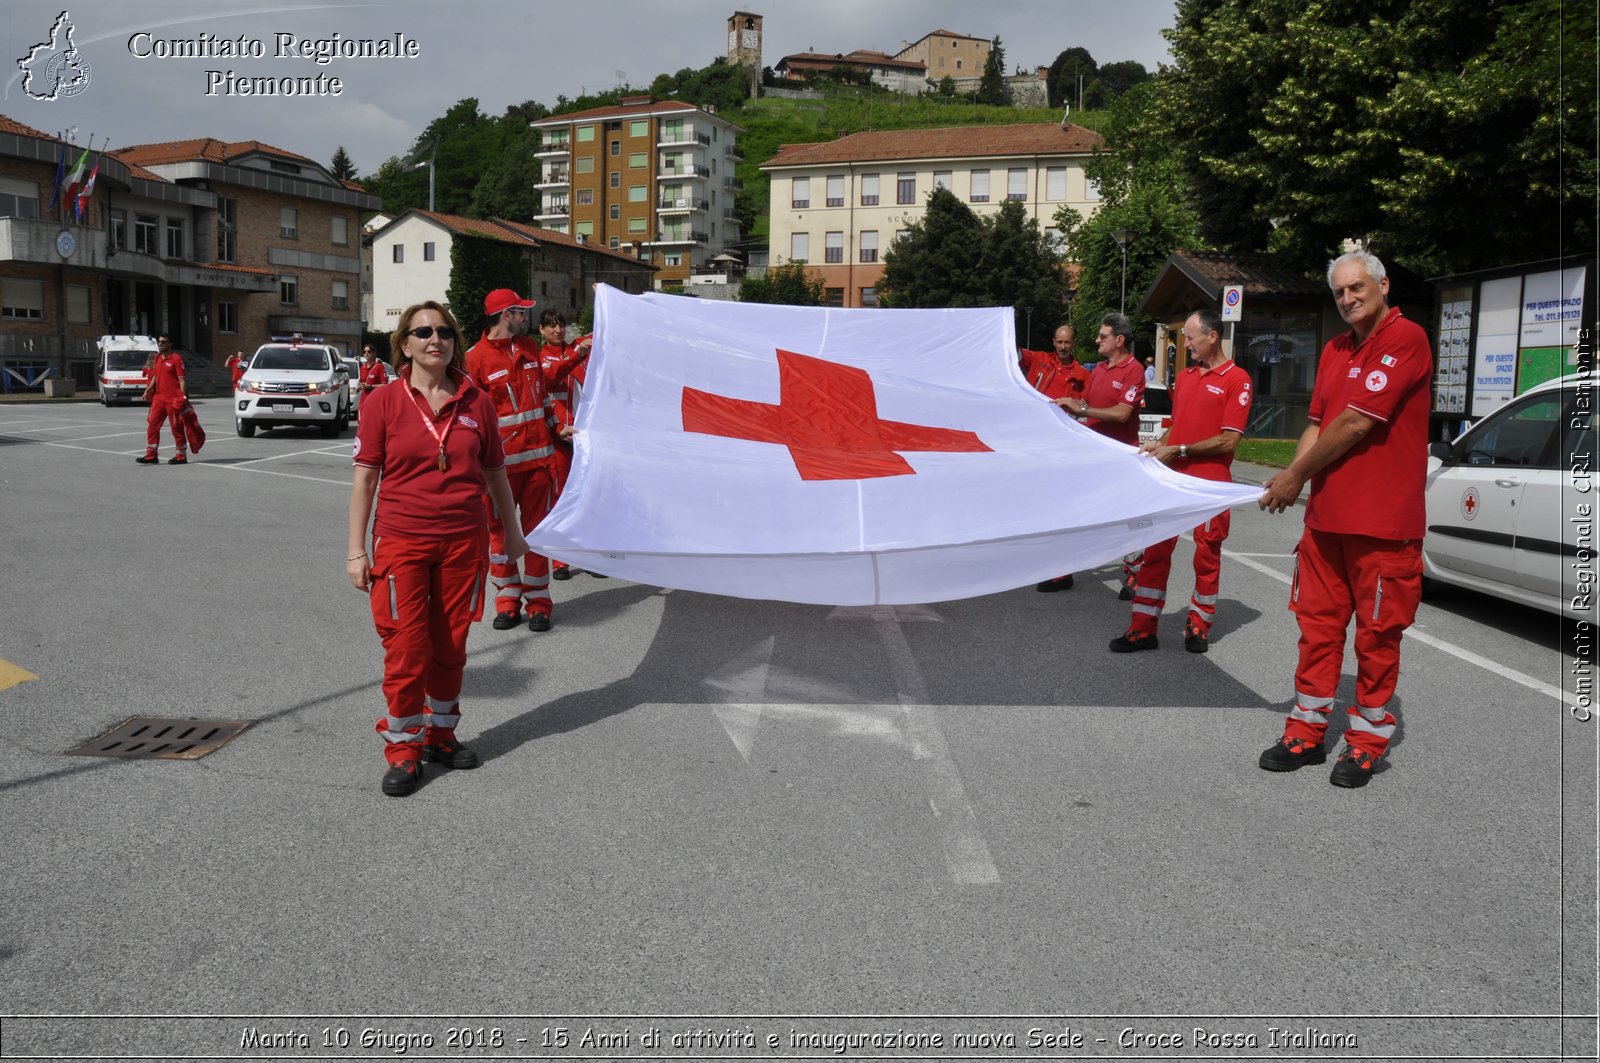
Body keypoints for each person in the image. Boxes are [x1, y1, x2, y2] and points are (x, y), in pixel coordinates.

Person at [1257, 251, 1431, 788]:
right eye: (1339, 292)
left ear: (1382, 285)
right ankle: (1306, 732)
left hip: (1382, 525)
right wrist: (1294, 475)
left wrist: (1293, 478)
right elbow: (1317, 423)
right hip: (1326, 522)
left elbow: (1355, 423)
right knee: (1317, 630)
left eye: (1357, 288)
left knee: (1377, 639)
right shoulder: (1335, 348)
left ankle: (1366, 742)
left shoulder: (1406, 339)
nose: (1348, 299)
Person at [346, 301, 528, 797]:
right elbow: (365, 480)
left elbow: (495, 473)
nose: (436, 339)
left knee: (450, 647)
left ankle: (442, 735)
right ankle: (404, 749)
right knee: (406, 648)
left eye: (445, 331)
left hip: (462, 544)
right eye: (423, 331)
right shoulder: (382, 401)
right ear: (404, 343)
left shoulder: (477, 401)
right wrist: (356, 551)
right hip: (401, 540)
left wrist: (511, 532)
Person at [1109, 309, 1251, 654]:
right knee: (1156, 550)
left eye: (1190, 337)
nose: (1185, 344)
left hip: (1210, 483)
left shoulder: (1238, 379)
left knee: (1206, 555)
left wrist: (1180, 450)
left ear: (1212, 336)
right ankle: (1142, 627)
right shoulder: (1186, 377)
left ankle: (1198, 624)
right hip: (1173, 478)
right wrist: (1162, 443)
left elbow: (1229, 441)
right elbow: (1180, 424)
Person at [465, 289, 560, 632]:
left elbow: (544, 399)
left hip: (538, 464)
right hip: (498, 471)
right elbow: (469, 418)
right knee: (500, 535)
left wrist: (558, 428)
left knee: (537, 534)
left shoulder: (530, 349)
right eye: (521, 312)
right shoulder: (473, 359)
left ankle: (538, 602)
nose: (526, 317)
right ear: (506, 315)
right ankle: (507, 599)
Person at [1061, 312, 1147, 596]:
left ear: (1119, 340)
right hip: (1093, 457)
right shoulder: (1099, 369)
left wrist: (1082, 410)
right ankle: (1064, 570)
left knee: (1125, 517)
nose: (1097, 340)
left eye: (1103, 336)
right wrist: (1064, 408)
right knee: (1078, 511)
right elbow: (1085, 401)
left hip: (1120, 459)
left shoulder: (1134, 371)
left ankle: (1135, 572)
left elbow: (1123, 414)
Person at [1021, 324, 1091, 591]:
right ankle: (1048, 563)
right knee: (1039, 506)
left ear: (1074, 344)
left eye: (1068, 343)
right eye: (1059, 342)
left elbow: (1087, 406)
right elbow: (1010, 353)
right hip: (1035, 445)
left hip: (1062, 450)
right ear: (1054, 341)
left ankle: (1062, 571)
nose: (1063, 347)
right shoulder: (1039, 359)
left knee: (1062, 509)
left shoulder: (1082, 374)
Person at [536, 309, 591, 580]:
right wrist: (576, 355)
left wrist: (600, 293)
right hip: (557, 437)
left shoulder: (580, 350)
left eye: (561, 325)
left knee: (586, 496)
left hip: (583, 437)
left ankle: (588, 554)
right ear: (541, 331)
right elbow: (549, 378)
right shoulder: (540, 358)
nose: (558, 330)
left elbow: (606, 332)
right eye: (551, 326)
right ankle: (560, 559)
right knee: (559, 499)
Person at [136, 334, 190, 465]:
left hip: (173, 400)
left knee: (176, 428)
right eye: (159, 342)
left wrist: (183, 397)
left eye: (164, 342)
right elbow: (155, 376)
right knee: (152, 426)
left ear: (170, 344)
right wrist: (147, 390)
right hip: (158, 399)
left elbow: (182, 380)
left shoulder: (176, 359)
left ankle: (181, 456)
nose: (160, 344)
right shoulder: (158, 357)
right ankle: (151, 455)